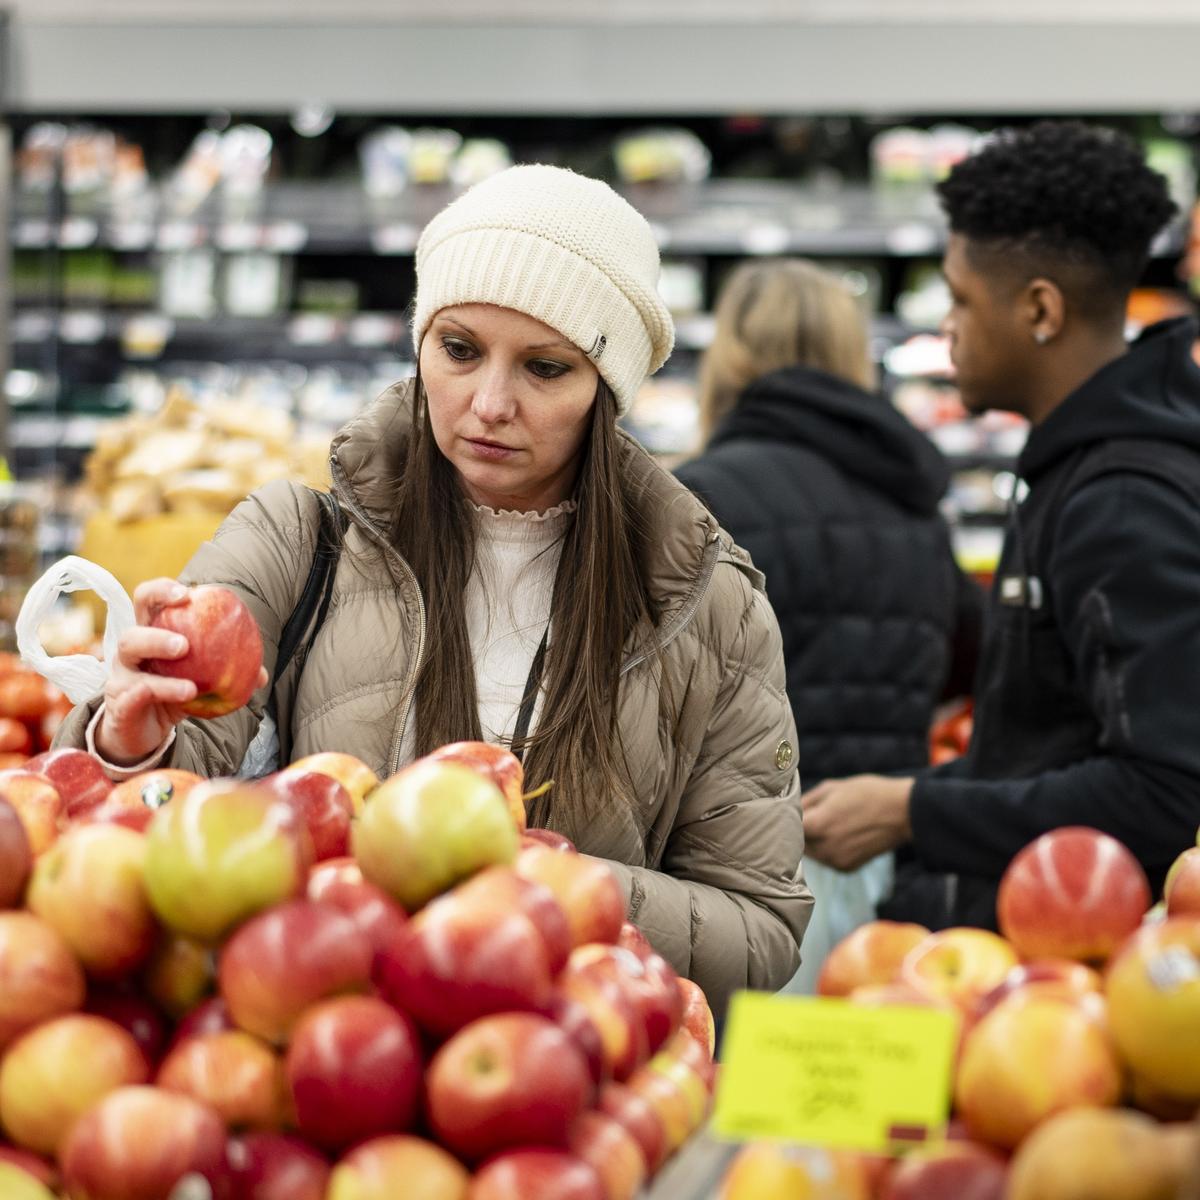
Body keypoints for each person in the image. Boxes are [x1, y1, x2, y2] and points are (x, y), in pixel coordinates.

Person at [55, 164, 813, 1013]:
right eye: (458, 350)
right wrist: (129, 747)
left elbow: (759, 931)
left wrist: (530, 875)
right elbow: (133, 839)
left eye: (545, 368)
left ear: (608, 389)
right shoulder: (294, 539)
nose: (488, 403)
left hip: (565, 1069)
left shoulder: (709, 607)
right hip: (322, 1036)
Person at [800, 120, 1200, 929]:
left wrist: (917, 810)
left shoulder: (1120, 501)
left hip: (1098, 974)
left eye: (959, 298)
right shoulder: (1079, 467)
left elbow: (1166, 792)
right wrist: (914, 799)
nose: (947, 326)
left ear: (1040, 310)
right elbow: (1060, 757)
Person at [674, 259, 981, 982]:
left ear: (731, 356)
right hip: (891, 874)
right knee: (868, 1078)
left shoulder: (697, 497)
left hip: (737, 879)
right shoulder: (915, 506)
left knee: (731, 1087)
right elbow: (975, 660)